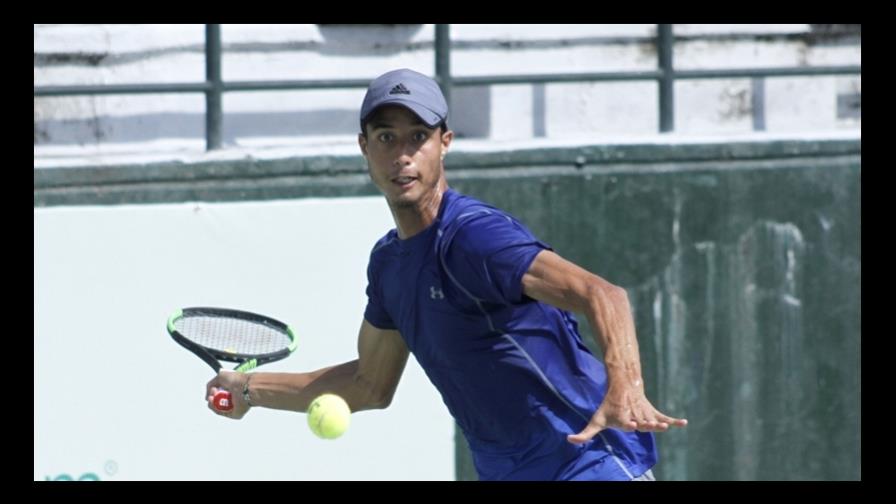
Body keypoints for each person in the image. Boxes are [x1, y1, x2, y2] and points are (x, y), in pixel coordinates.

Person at [206, 68, 687, 481]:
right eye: (386, 137)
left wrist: (625, 386)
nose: (402, 155)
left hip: (587, 462)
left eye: (418, 136)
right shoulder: (389, 265)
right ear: (364, 148)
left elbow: (602, 294)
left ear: (445, 144)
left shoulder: (476, 237)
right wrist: (248, 389)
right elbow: (369, 384)